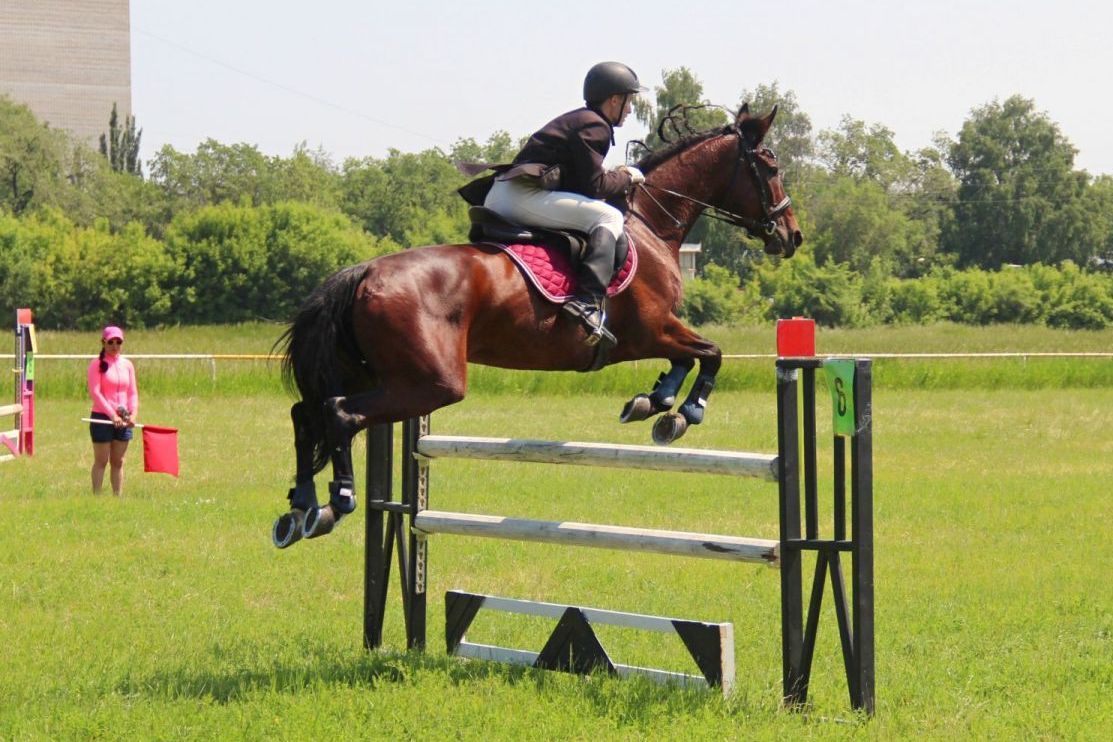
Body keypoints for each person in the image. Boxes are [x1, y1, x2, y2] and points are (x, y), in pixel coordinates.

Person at [483, 61, 648, 348]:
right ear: (614, 100)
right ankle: (587, 302)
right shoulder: (596, 125)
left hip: (507, 193)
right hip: (520, 196)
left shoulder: (581, 120)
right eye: (629, 101)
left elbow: (580, 184)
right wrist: (626, 176)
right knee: (608, 217)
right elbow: (595, 188)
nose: (631, 109)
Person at [87, 325, 138, 495]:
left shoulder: (127, 365)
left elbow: (132, 392)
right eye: (111, 342)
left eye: (118, 342)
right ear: (103, 342)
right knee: (101, 460)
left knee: (118, 461)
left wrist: (133, 415)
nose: (114, 345)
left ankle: (118, 496)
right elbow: (95, 392)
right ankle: (97, 496)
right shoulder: (96, 364)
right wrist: (112, 415)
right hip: (102, 418)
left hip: (124, 418)